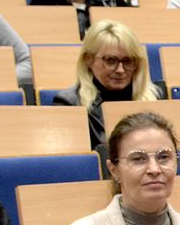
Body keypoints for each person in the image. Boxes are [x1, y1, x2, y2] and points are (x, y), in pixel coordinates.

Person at [51, 19, 163, 147]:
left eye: (128, 61)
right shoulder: (70, 104)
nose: (120, 70)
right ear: (88, 59)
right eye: (110, 60)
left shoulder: (155, 97)